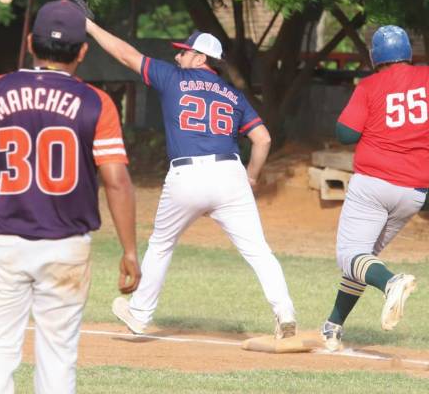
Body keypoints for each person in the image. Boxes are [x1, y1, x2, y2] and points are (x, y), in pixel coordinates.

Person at [0, 0, 141, 393]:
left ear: (31, 42)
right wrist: (129, 250)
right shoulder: (97, 103)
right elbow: (117, 181)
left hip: (5, 244)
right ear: (83, 51)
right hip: (67, 248)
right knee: (58, 354)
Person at [85, 22, 298, 338]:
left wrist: (89, 25)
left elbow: (125, 54)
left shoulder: (173, 79)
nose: (179, 57)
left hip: (187, 175)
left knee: (161, 244)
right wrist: (251, 177)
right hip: (230, 174)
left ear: (202, 58)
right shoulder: (233, 94)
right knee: (259, 250)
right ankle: (285, 312)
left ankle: (141, 314)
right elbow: (263, 139)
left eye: (185, 52)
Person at [320, 25, 429, 352]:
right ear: (407, 52)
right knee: (364, 259)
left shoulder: (370, 85)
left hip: (373, 183)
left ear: (376, 57)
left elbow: (346, 133)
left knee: (349, 255)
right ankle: (333, 326)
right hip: (413, 192)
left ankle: (392, 282)